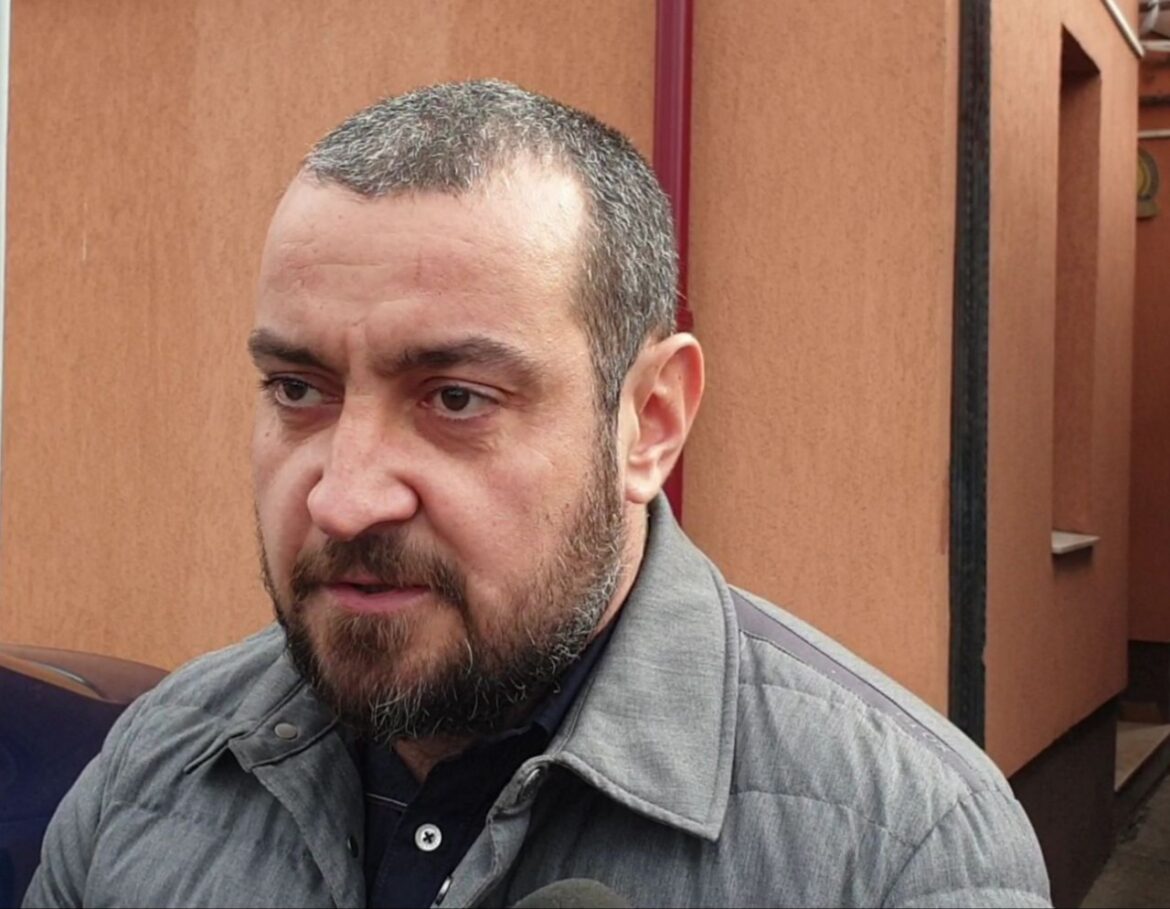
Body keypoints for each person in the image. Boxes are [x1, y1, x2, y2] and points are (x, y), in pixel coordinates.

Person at [23, 80, 1051, 909]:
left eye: (456, 398)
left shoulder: (903, 850)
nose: (345, 498)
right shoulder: (154, 770)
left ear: (649, 423)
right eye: (299, 389)